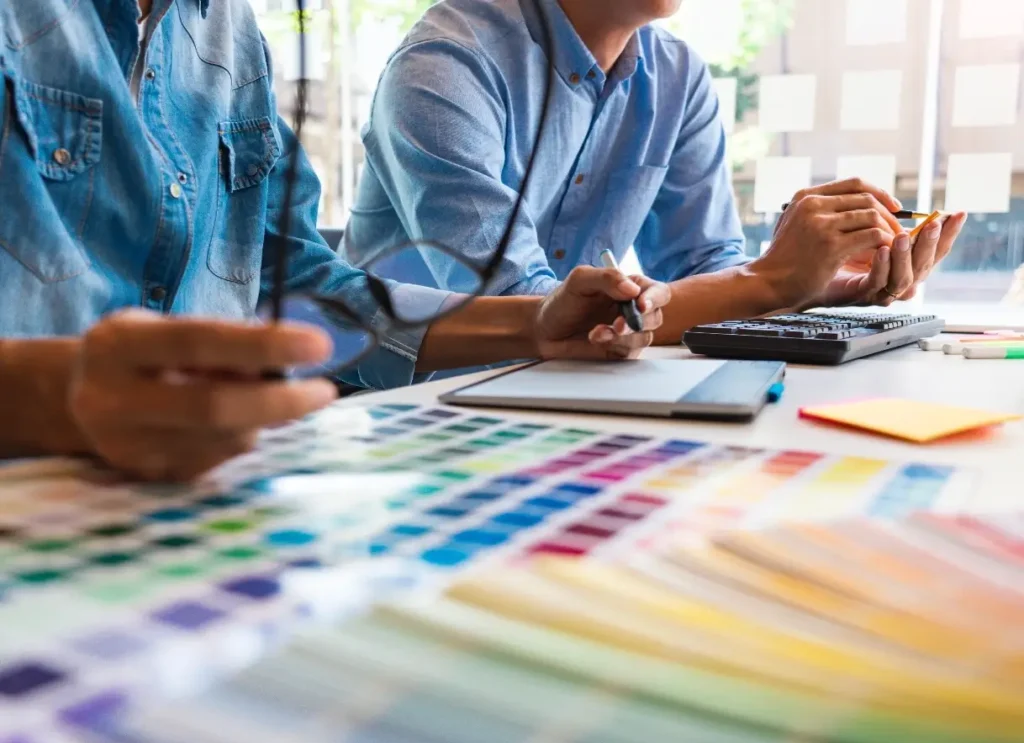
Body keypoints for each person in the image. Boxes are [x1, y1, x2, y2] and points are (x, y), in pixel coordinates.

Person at [0, 0, 672, 481]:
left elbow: (296, 284)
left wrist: (535, 324)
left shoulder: (229, 33)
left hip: (203, 488)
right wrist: (54, 396)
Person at [345, 0, 968, 348]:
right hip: (405, 404)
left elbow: (708, 267)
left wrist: (818, 284)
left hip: (555, 390)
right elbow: (530, 310)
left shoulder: (677, 75)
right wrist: (773, 279)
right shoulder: (445, 64)